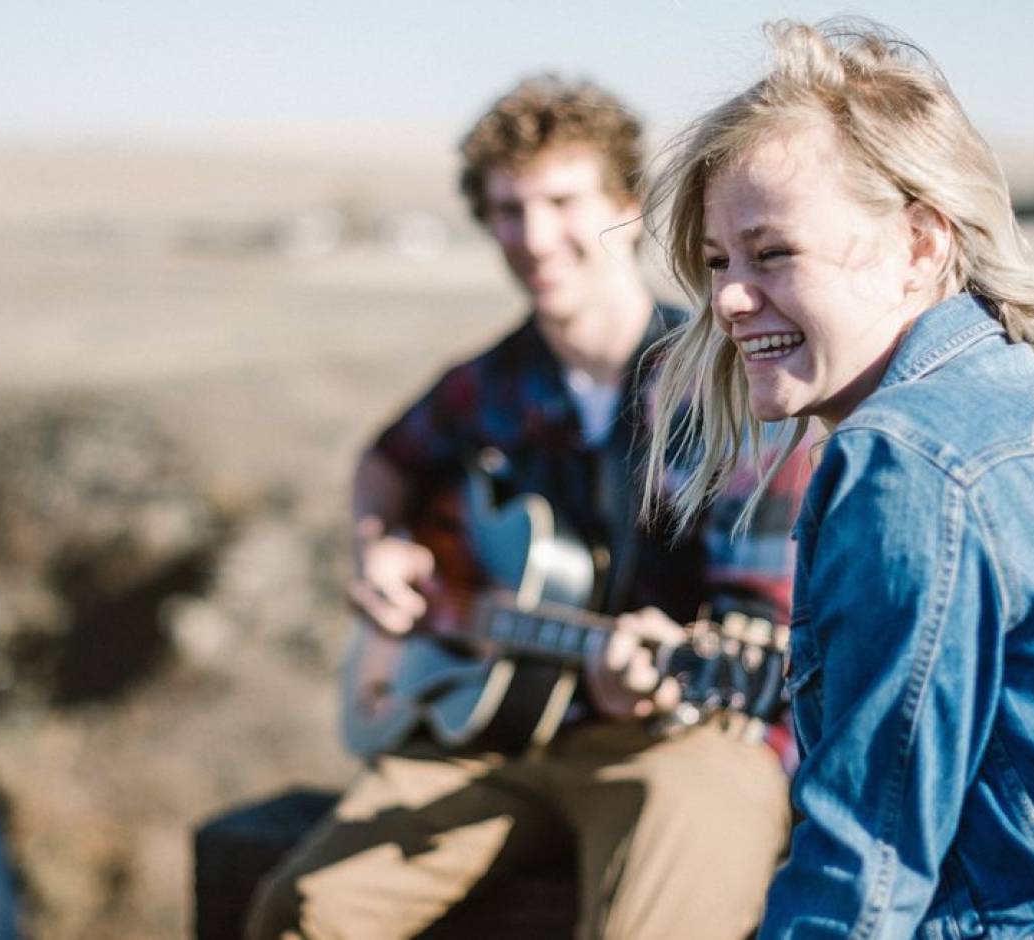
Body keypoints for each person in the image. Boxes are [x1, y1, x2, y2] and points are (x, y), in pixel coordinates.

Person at [642, 18, 1034, 940]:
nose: (725, 298)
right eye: (719, 262)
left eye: (772, 253)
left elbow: (865, 868)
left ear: (922, 245)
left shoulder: (900, 461)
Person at [246, 75, 812, 940]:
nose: (536, 236)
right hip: (498, 732)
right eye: (509, 211)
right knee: (304, 914)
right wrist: (378, 547)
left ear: (628, 202)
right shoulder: (495, 380)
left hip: (687, 734)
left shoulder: (730, 385)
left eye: (561, 200)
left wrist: (654, 675)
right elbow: (386, 462)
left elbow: (754, 628)